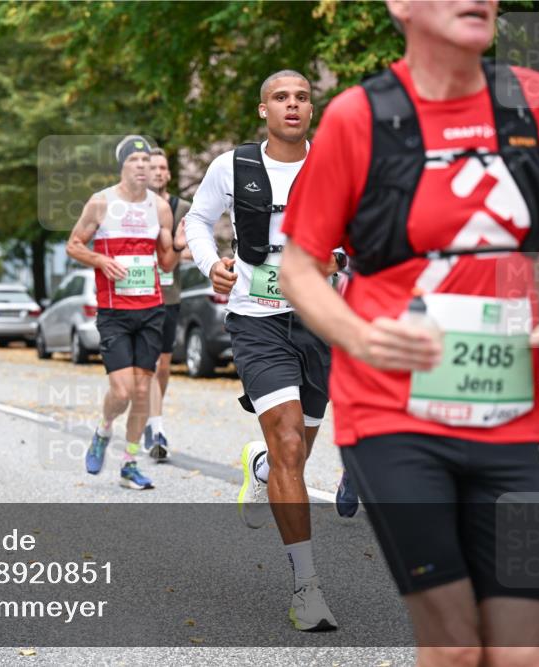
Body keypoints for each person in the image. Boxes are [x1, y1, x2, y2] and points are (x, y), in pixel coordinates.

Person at [279, 1, 539, 663]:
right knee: (455, 644)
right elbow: (299, 268)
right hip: (393, 419)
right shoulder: (359, 116)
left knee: (527, 650)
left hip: (506, 422)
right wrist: (361, 337)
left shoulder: (533, 101)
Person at [185, 70, 339, 631]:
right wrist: (212, 265)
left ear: (311, 110)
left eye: (302, 97)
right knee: (290, 443)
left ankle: (261, 464)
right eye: (281, 97)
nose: (292, 105)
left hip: (319, 319)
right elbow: (197, 220)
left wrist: (341, 260)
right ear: (263, 110)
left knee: (297, 450)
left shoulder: (337, 165)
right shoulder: (232, 166)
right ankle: (306, 588)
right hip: (256, 318)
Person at [67, 136, 178, 490]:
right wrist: (101, 260)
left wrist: (179, 243)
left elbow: (167, 262)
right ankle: (103, 430)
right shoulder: (101, 202)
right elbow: (74, 245)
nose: (143, 166)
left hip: (151, 309)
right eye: (135, 161)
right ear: (123, 166)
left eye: (147, 161)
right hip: (114, 311)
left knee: (143, 390)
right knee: (122, 390)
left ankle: (129, 463)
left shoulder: (160, 208)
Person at [142, 147, 191, 461]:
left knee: (162, 365)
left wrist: (175, 251)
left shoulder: (181, 208)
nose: (158, 173)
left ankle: (152, 417)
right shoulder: (134, 207)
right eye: (153, 168)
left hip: (169, 296)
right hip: (140, 295)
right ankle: (154, 427)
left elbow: (193, 248)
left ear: (169, 174)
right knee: (148, 364)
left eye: (163, 168)